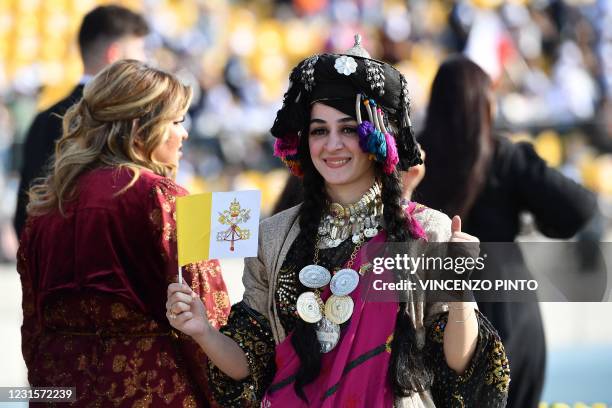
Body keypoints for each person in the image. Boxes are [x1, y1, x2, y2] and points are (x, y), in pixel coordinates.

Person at [167, 37, 510, 407]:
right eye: (319, 130)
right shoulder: (273, 236)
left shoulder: (429, 231)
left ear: (378, 138)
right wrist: (204, 331)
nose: (332, 144)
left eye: (348, 129)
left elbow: (458, 366)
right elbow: (250, 365)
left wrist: (459, 292)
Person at [17, 60, 230, 407]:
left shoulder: (44, 205)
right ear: (139, 126)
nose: (184, 133)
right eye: (176, 121)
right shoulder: (168, 196)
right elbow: (209, 313)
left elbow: (32, 326)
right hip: (152, 387)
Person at [416, 55, 597, 408]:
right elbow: (579, 208)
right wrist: (538, 220)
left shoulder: (413, 159)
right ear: (486, 103)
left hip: (435, 316)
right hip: (510, 313)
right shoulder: (502, 156)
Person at [14, 4, 149, 238]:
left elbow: (25, 215)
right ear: (115, 54)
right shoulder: (129, 118)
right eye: (141, 50)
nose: (145, 60)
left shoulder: (42, 120)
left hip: (52, 265)